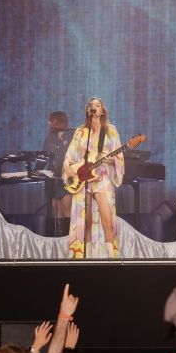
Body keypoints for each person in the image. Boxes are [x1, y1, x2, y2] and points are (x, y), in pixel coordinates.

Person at [63, 98, 125, 259]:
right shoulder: (81, 131)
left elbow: (119, 155)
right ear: (87, 110)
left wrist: (111, 160)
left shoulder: (111, 130)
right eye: (92, 105)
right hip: (83, 179)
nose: (94, 107)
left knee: (107, 220)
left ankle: (112, 258)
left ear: (102, 110)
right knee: (86, 221)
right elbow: (70, 156)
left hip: (102, 177)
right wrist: (67, 167)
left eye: (98, 105)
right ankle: (87, 258)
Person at [42, 111, 74, 237]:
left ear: (57, 120)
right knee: (56, 207)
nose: (48, 123)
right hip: (52, 177)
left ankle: (70, 238)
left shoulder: (71, 135)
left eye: (51, 120)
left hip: (67, 176)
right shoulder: (49, 139)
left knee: (67, 205)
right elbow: (44, 157)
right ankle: (60, 238)